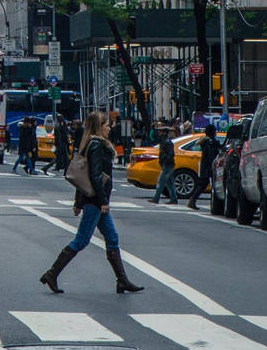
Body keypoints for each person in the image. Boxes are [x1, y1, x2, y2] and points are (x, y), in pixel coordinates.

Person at [38, 110, 142, 296]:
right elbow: (94, 176)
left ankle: (122, 280)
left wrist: (78, 202)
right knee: (82, 240)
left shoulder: (90, 144)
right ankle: (52, 274)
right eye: (106, 125)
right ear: (98, 127)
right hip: (95, 201)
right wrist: (102, 201)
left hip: (93, 200)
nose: (110, 128)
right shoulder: (97, 146)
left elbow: (82, 177)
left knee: (112, 238)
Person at [187, 122, 218, 211]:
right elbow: (211, 155)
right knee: (205, 184)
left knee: (203, 184)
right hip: (209, 165)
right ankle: (193, 200)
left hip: (205, 165)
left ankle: (193, 200)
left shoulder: (205, 142)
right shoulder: (211, 142)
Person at [151, 125, 177, 204]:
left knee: (161, 182)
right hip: (168, 164)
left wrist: (165, 161)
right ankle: (173, 199)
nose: (159, 132)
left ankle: (156, 198)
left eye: (160, 131)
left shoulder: (166, 142)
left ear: (164, 133)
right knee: (170, 183)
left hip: (167, 165)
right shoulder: (165, 141)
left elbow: (171, 154)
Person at [51, 112, 72, 181]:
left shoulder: (57, 125)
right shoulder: (61, 125)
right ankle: (65, 171)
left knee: (59, 158)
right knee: (65, 159)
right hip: (62, 144)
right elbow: (64, 135)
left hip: (60, 144)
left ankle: (48, 167)